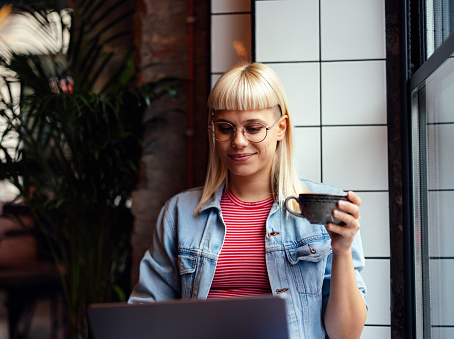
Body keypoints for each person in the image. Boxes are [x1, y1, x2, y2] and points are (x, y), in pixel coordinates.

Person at [128, 62, 367, 338]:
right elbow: (145, 315)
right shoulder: (180, 214)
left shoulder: (322, 212)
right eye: (226, 128)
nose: (238, 141)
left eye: (253, 128)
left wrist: (342, 250)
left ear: (281, 128)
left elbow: (346, 334)